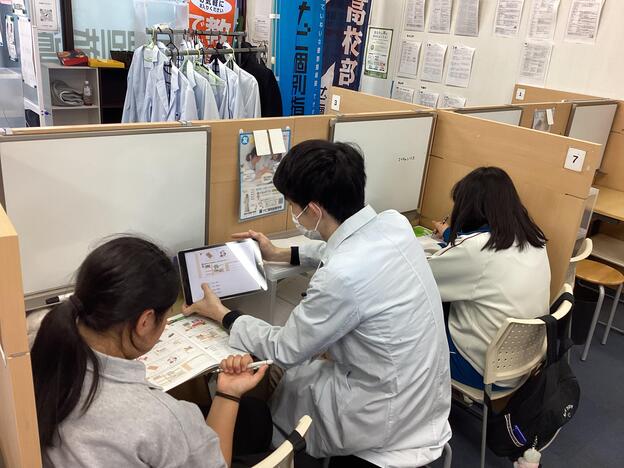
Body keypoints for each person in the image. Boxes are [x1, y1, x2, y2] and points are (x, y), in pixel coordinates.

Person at [185, 140, 451, 467]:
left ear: (313, 210)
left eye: (292, 206)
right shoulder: (393, 223)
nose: (292, 213)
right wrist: (279, 253)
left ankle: (273, 446)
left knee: (288, 375)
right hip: (425, 396)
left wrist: (224, 314)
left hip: (384, 417)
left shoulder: (341, 276)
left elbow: (284, 348)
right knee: (304, 371)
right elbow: (338, 248)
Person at [31, 236, 269, 468]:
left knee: (256, 416)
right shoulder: (161, 418)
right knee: (257, 424)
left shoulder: (41, 342)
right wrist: (228, 394)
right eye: (166, 317)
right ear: (145, 322)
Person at [428, 167, 551, 390]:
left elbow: (421, 277)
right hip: (525, 363)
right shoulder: (534, 238)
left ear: (470, 208)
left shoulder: (477, 250)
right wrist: (448, 234)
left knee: (417, 314)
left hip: (480, 371)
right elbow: (474, 254)